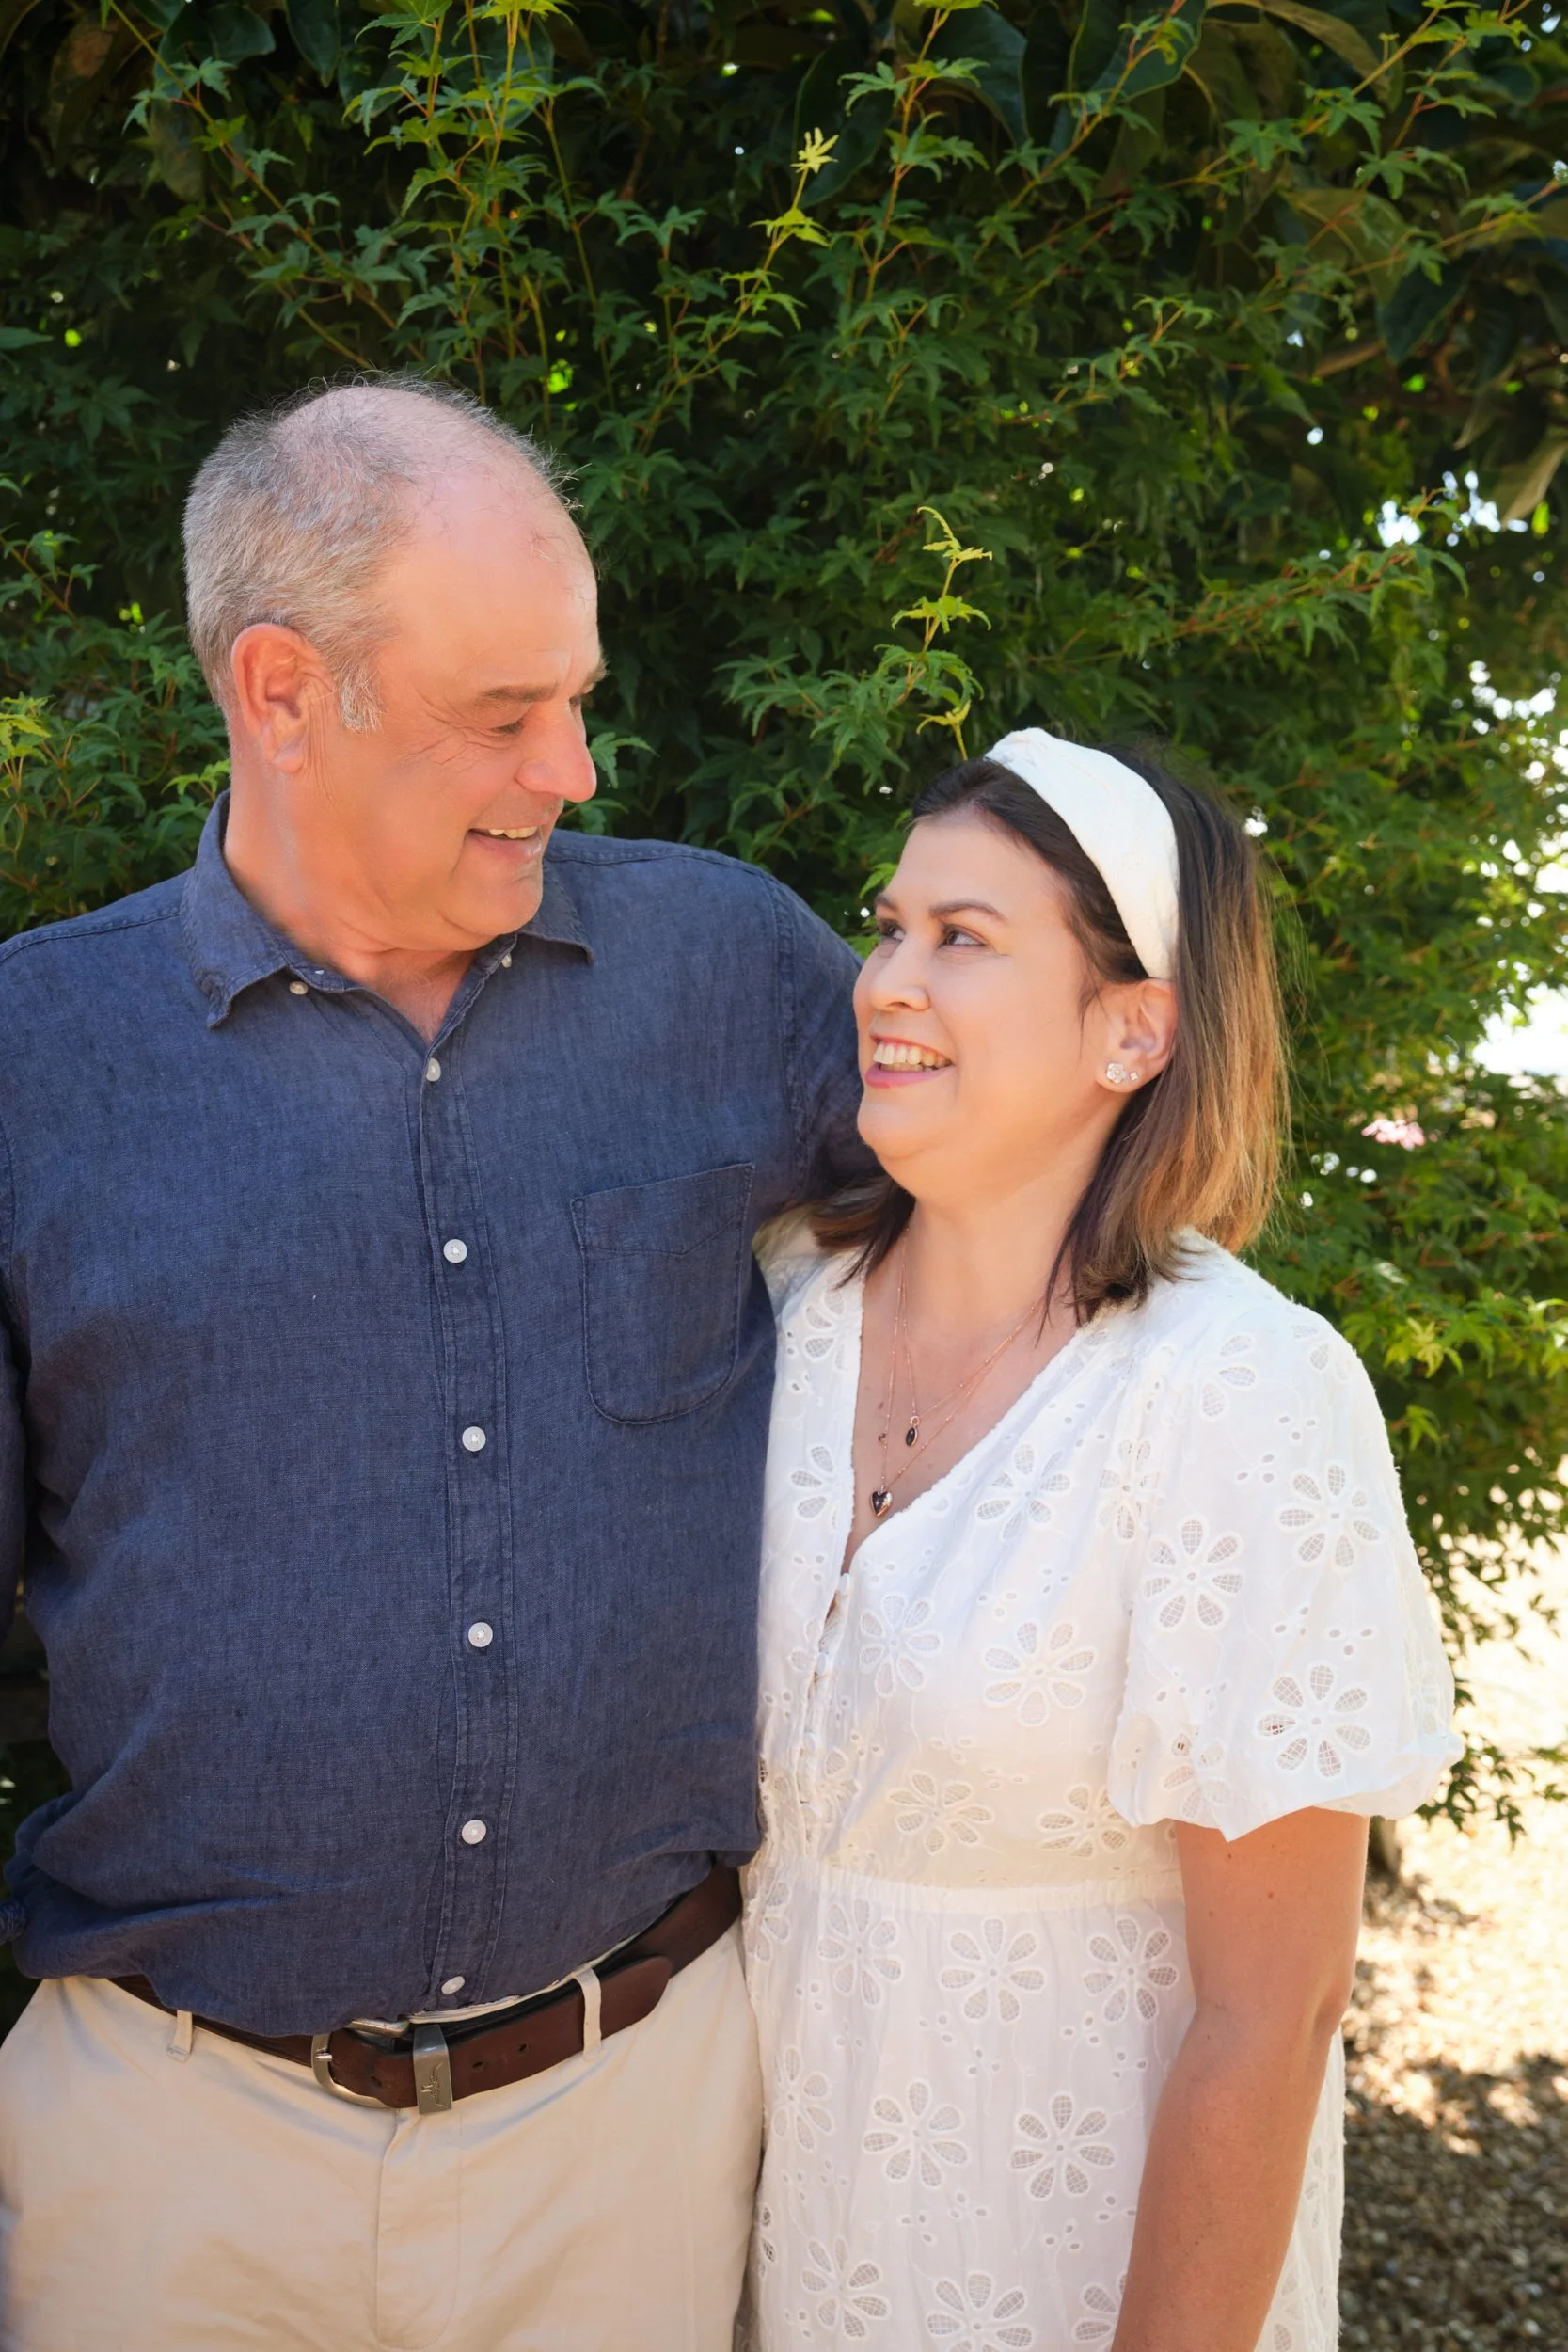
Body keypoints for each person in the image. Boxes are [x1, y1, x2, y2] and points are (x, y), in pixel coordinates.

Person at [0, 375, 865, 2351]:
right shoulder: (32, 1064)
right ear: (283, 692)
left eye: (575, 694)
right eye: (503, 712)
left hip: (630, 2127)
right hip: (168, 2158)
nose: (571, 763)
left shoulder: (727, 970)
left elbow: (1025, 1265)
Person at [741, 731, 1461, 2352]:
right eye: (891, 923)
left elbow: (1272, 2015)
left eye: (964, 939)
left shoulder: (1241, 1393)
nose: (884, 979)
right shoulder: (790, 1308)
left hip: (1076, 2280)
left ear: (1130, 1029)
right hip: (788, 2267)